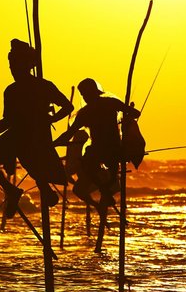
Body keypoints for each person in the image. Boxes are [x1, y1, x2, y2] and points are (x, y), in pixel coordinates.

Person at [0, 38, 74, 217]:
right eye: (10, 66)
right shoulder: (11, 90)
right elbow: (7, 121)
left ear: (27, 65)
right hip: (16, 134)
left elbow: (67, 107)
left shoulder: (43, 86)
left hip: (36, 136)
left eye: (16, 65)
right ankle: (12, 190)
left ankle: (45, 191)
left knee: (33, 162)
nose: (12, 69)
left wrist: (50, 120)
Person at [54, 78, 140, 209]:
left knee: (93, 166)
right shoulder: (100, 107)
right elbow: (69, 134)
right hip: (107, 148)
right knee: (91, 165)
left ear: (94, 92)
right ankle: (105, 190)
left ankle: (105, 190)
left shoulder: (100, 107)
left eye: (86, 93)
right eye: (83, 94)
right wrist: (56, 142)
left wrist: (55, 143)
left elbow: (69, 133)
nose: (85, 97)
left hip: (108, 149)